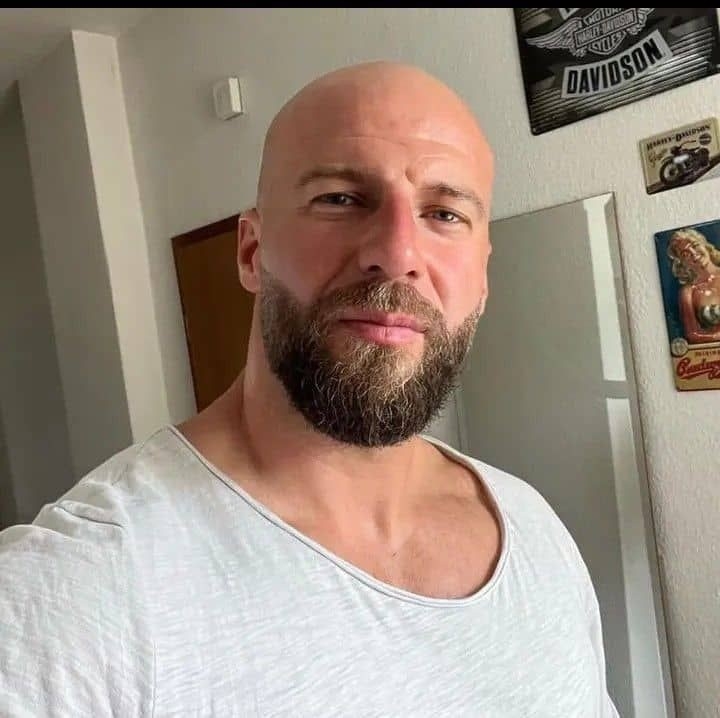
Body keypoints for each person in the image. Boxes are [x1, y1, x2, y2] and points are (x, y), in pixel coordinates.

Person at [0, 60, 618, 717]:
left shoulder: (533, 527)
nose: (397, 253)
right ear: (251, 251)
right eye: (340, 199)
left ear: (483, 279)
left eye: (443, 213)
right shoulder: (73, 595)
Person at [667, 227, 720, 343]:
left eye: (695, 245)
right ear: (682, 263)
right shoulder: (688, 293)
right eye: (685, 254)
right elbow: (692, 335)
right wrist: (715, 337)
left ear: (705, 245)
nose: (693, 253)